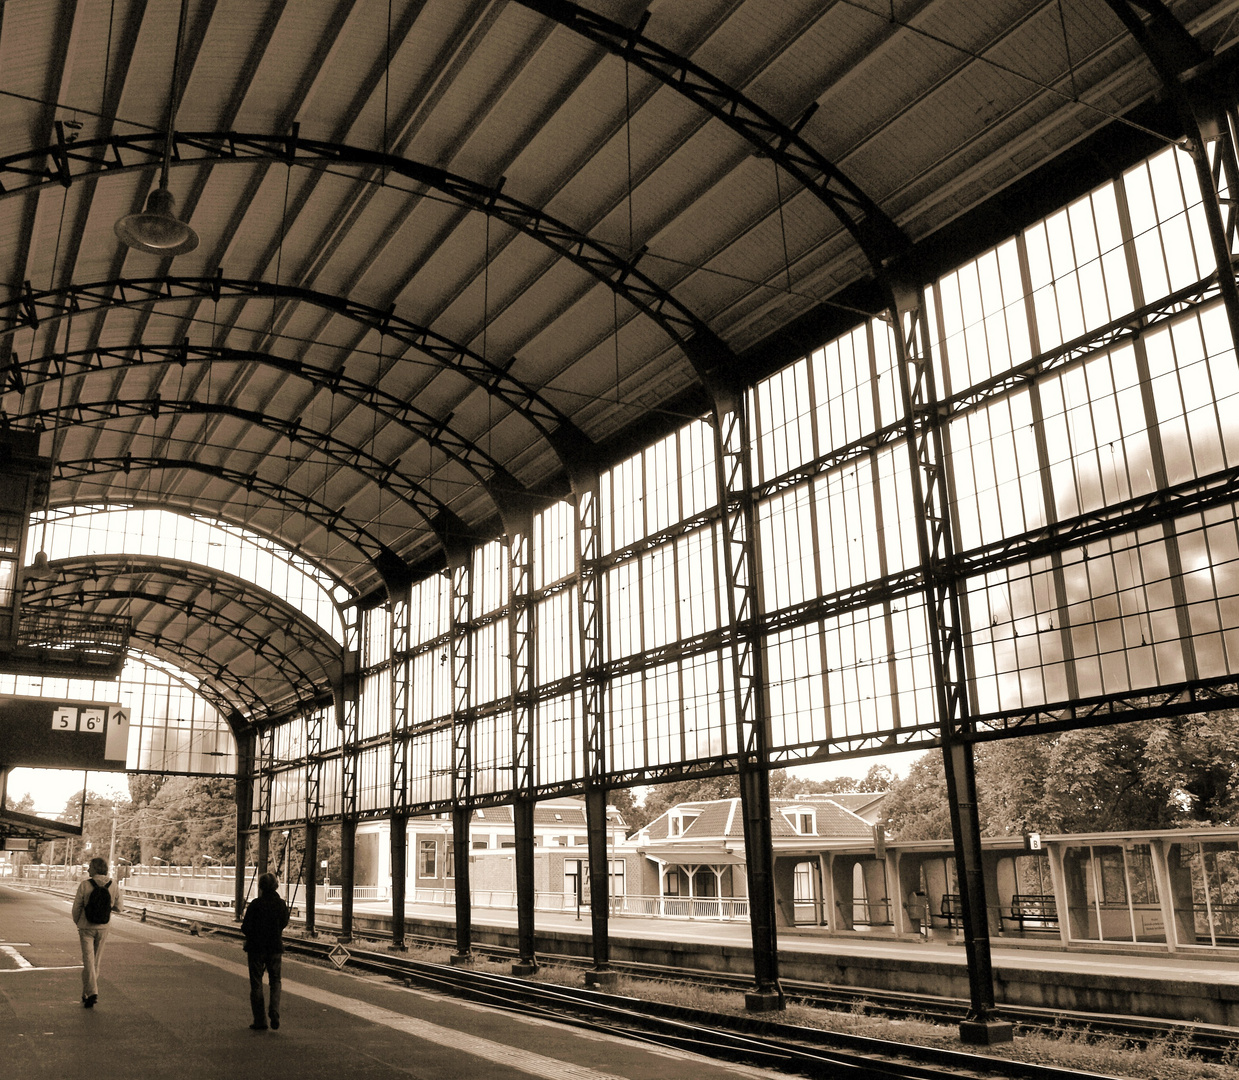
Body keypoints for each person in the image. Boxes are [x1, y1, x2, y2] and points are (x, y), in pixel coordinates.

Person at [70, 856, 122, 1007]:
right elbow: (120, 907)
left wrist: (78, 922)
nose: (88, 869)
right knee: (95, 962)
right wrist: (106, 907)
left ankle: (92, 992)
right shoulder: (113, 884)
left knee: (88, 961)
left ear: (96, 868)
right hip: (103, 927)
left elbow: (76, 908)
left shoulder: (85, 885)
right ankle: (86, 993)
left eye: (90, 867)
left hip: (86, 928)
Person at [241, 872, 289, 1030]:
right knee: (275, 981)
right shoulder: (281, 904)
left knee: (256, 983)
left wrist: (253, 934)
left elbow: (245, 928)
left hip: (256, 948)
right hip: (275, 947)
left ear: (261, 886)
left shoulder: (255, 904)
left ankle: (260, 1021)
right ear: (276, 886)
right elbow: (283, 923)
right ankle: (274, 1011)